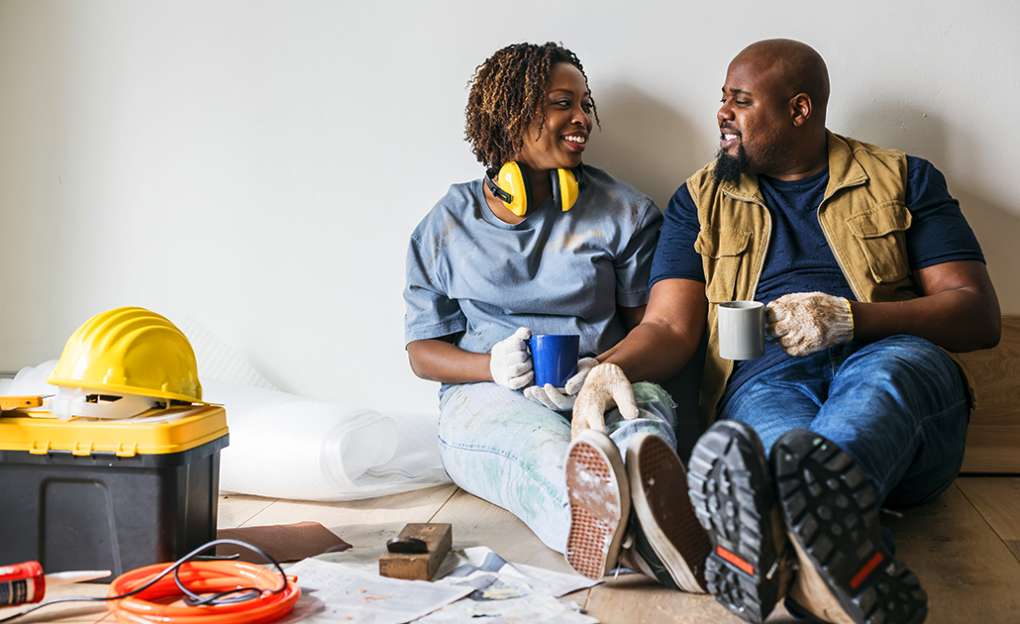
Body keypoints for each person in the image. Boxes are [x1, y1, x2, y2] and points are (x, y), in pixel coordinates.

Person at [572, 39, 999, 623]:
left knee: (879, 387)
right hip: (766, 382)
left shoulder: (904, 178)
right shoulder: (699, 201)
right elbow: (671, 326)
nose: (721, 114)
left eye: (741, 102)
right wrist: (606, 368)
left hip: (890, 360)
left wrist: (852, 318)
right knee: (768, 450)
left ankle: (766, 534)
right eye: (722, 99)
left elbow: (977, 314)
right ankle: (831, 570)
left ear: (800, 110)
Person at [402, 42, 709, 590]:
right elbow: (422, 354)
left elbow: (656, 328)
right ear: (510, 113)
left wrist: (604, 372)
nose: (581, 120)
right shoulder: (446, 224)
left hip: (607, 376)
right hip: (489, 398)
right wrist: (489, 368)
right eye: (561, 104)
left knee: (638, 430)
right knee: (544, 453)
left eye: (585, 105)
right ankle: (633, 541)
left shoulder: (625, 210)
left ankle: (647, 513)